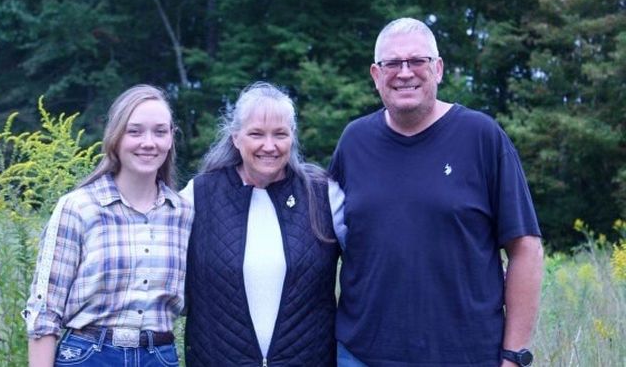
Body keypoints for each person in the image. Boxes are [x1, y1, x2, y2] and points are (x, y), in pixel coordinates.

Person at [329, 18, 544, 367]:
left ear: (438, 68)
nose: (405, 73)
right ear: (376, 74)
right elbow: (324, 246)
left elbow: (526, 249)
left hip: (466, 356)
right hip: (360, 354)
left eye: (417, 60)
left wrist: (514, 356)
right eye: (392, 63)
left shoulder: (481, 137)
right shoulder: (354, 142)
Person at [23, 85, 193, 366]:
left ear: (171, 138)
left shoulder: (183, 214)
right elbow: (45, 310)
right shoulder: (78, 207)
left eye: (160, 132)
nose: (148, 142)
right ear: (115, 137)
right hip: (89, 356)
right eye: (134, 131)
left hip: (159, 357)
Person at [181, 82, 346, 366]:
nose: (269, 146)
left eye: (280, 134)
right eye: (256, 134)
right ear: (236, 137)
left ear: (292, 137)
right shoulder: (198, 195)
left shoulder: (323, 194)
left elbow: (368, 265)